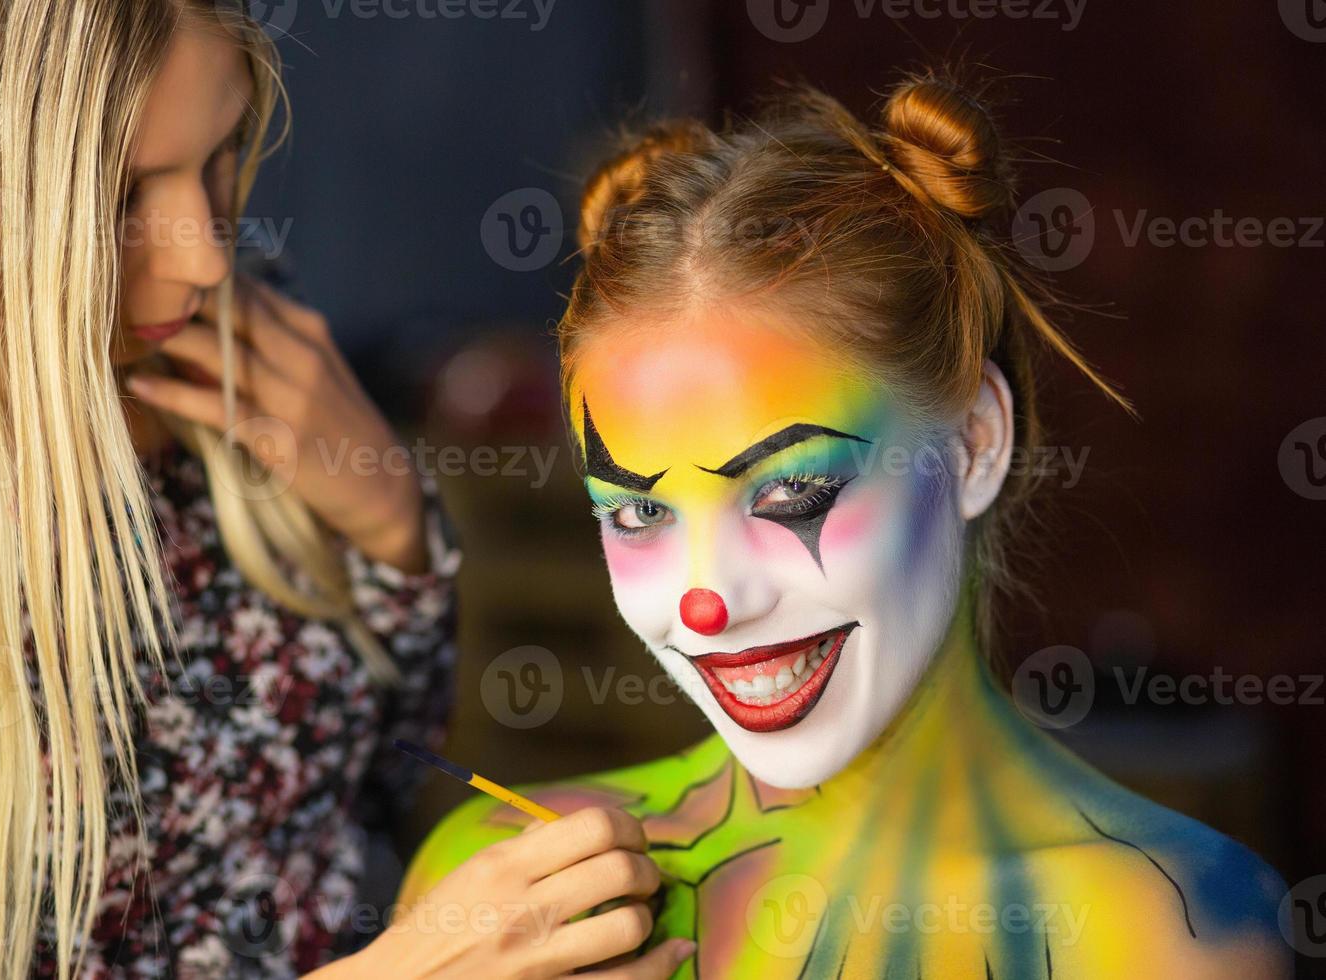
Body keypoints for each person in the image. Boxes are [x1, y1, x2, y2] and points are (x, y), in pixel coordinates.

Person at [0, 3, 689, 978]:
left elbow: (381, 783)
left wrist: (391, 527)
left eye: (219, 160)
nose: (205, 255)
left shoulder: (237, 343)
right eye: (120, 196)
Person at [399, 72, 1294, 978]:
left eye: (791, 495)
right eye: (639, 512)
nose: (706, 601)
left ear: (975, 440)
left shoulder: (1163, 929)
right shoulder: (505, 897)